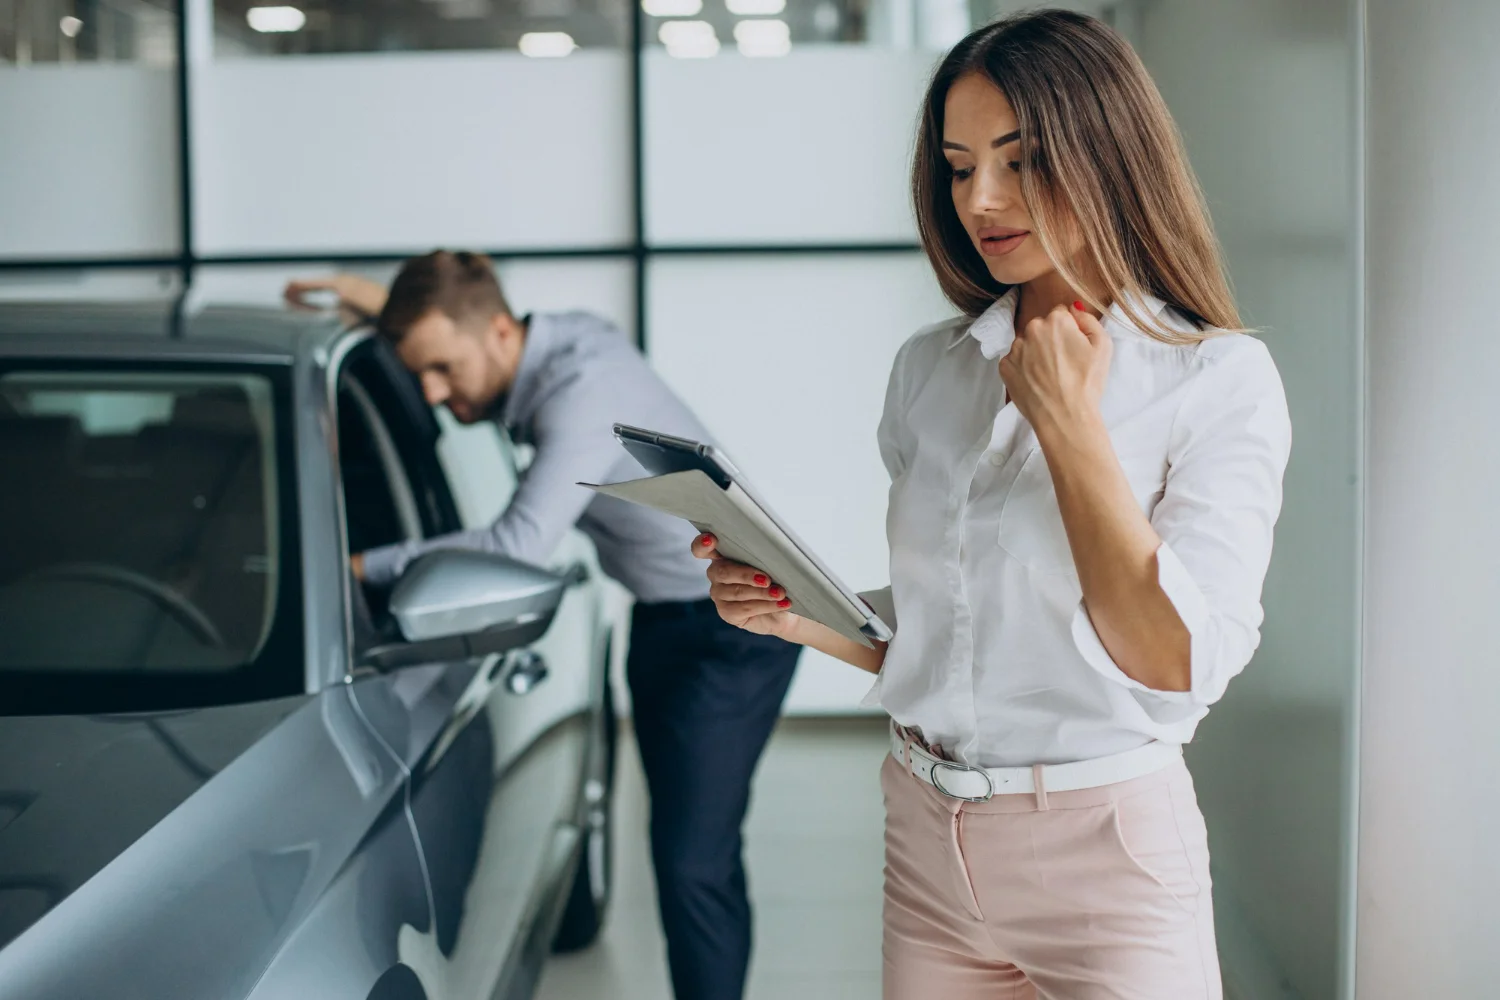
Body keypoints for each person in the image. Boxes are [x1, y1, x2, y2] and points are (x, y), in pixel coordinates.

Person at [694, 10, 1291, 999]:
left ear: (1108, 153)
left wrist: (1071, 430)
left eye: (1020, 160)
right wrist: (798, 609)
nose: (981, 197)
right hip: (929, 842)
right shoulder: (931, 369)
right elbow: (960, 623)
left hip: (1108, 854)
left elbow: (1177, 662)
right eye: (958, 164)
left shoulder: (1217, 379)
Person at [286, 252, 800, 1000]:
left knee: (694, 863)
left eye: (441, 369)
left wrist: (357, 567)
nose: (432, 394)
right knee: (683, 854)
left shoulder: (579, 397)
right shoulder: (561, 337)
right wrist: (385, 308)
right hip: (669, 616)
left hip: (734, 633)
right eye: (420, 372)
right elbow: (468, 310)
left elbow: (513, 545)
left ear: (499, 333)